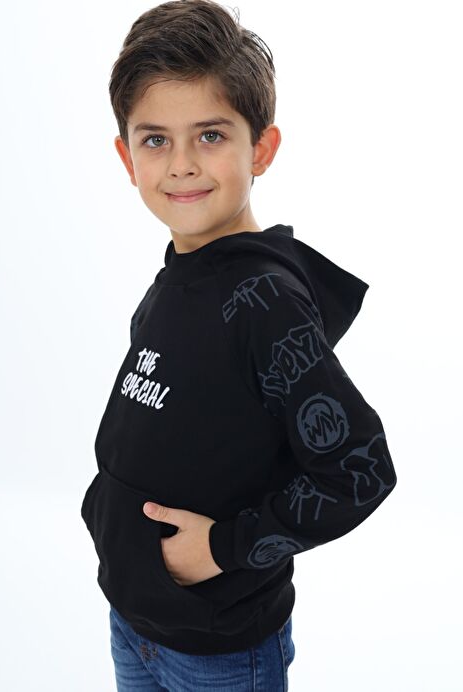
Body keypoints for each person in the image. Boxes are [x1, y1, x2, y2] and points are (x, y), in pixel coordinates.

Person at [80, 1, 398, 689]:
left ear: (261, 149)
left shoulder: (266, 302)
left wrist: (222, 548)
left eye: (211, 135)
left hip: (218, 652)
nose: (182, 164)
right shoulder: (179, 274)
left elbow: (360, 470)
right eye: (155, 139)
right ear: (126, 157)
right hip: (135, 622)